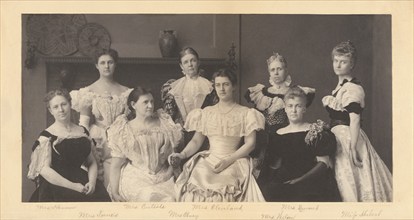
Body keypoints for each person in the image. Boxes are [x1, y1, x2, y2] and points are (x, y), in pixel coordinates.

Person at [169, 69, 265, 202]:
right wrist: (182, 155)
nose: (222, 89)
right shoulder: (206, 113)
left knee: (225, 191)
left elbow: (250, 144)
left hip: (234, 160)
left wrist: (228, 160)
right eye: (218, 85)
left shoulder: (246, 113)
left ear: (234, 86)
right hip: (209, 160)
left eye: (226, 84)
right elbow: (196, 141)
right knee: (195, 188)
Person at [322, 41, 392, 202]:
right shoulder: (341, 86)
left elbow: (354, 119)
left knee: (352, 184)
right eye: (336, 60)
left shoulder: (353, 88)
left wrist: (353, 147)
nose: (338, 65)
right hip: (339, 137)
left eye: (343, 61)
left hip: (349, 138)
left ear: (351, 64)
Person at [257, 86, 340, 202]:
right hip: (285, 180)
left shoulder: (315, 131)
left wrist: (298, 181)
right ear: (285, 109)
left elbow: (324, 163)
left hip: (310, 182)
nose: (293, 110)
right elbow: (274, 165)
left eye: (298, 106)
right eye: (290, 106)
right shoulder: (277, 134)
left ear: (304, 109)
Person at [27, 89, 111, 202]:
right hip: (57, 186)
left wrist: (92, 182)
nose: (61, 110)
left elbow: (91, 162)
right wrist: (74, 186)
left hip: (83, 182)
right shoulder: (47, 136)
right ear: (50, 110)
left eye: (64, 104)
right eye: (55, 107)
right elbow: (45, 170)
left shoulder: (82, 132)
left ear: (70, 104)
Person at [245, 53, 315, 177]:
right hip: (264, 138)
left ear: (286, 70)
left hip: (285, 138)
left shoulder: (295, 92)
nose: (276, 73)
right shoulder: (261, 93)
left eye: (279, 69)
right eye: (273, 70)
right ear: (269, 72)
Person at [107, 87, 182, 202]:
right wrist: (115, 192)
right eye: (145, 102)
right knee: (148, 196)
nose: (150, 106)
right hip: (136, 176)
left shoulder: (165, 123)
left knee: (172, 199)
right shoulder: (124, 129)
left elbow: (174, 155)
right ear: (133, 105)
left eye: (152, 101)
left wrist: (169, 173)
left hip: (163, 176)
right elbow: (116, 165)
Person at [70, 49, 132, 187]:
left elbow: (130, 121)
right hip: (98, 137)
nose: (106, 66)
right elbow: (84, 122)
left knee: (121, 177)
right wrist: (83, 142)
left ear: (115, 64)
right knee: (97, 175)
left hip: (120, 137)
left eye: (110, 62)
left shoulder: (126, 92)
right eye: (102, 63)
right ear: (96, 66)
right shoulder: (89, 92)